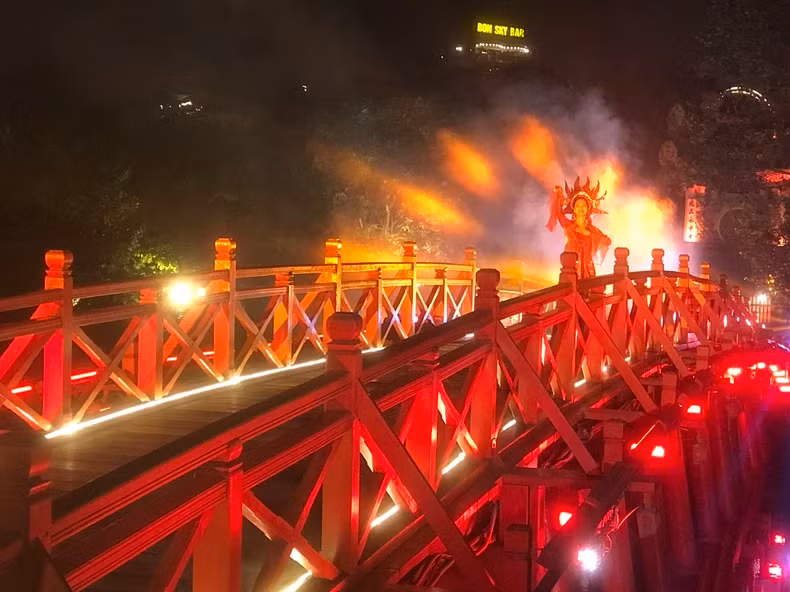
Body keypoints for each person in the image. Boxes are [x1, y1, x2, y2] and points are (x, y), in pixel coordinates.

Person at [546, 178, 612, 279]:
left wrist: (588, 234)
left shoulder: (592, 230)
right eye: (578, 205)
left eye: (583, 205)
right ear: (574, 209)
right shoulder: (568, 226)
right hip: (570, 268)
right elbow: (559, 212)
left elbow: (607, 241)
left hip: (587, 269)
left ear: (588, 208)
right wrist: (557, 194)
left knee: (588, 292)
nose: (580, 208)